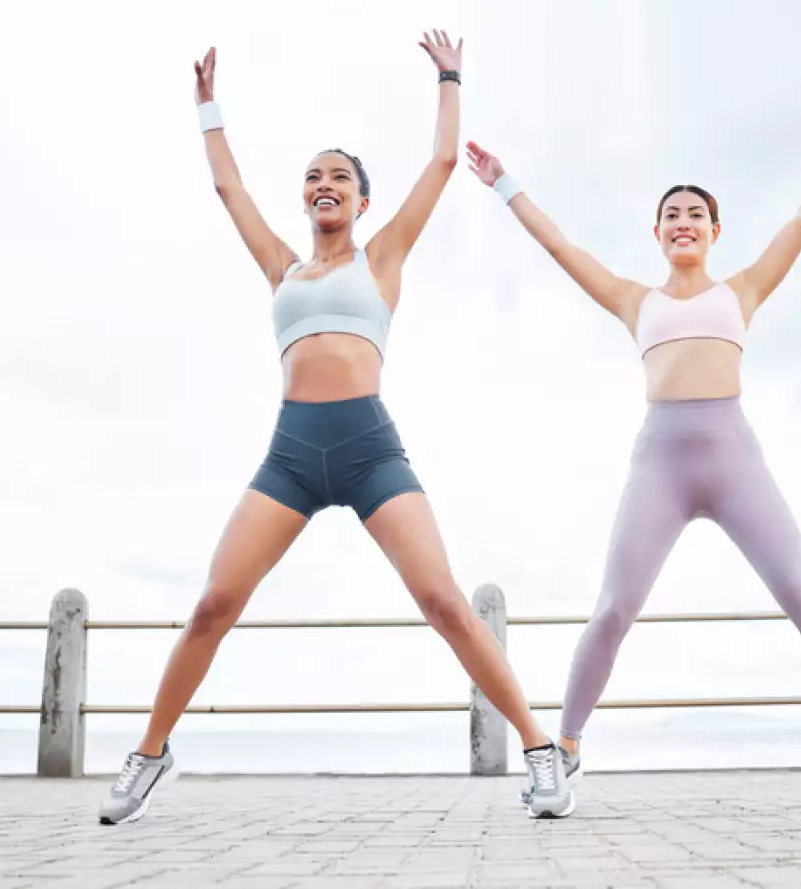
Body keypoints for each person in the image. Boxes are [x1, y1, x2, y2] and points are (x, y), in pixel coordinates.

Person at [99, 31, 575, 825]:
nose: (325, 184)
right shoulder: (282, 266)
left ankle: (540, 750)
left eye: (340, 178)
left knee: (443, 600)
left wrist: (450, 77)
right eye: (314, 177)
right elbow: (230, 191)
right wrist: (208, 106)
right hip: (290, 453)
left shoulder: (382, 257)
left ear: (361, 202)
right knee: (216, 602)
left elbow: (442, 164)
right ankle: (151, 754)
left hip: (368, 447)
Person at [467, 93, 801, 800]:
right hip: (662, 463)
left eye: (696, 214)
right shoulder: (633, 300)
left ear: (714, 230)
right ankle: (564, 749)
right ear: (657, 233)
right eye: (672, 215)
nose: (684, 223)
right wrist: (504, 182)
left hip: (735, 460)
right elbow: (559, 246)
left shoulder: (743, 290)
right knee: (615, 606)